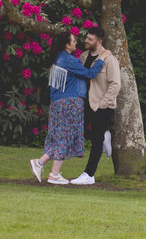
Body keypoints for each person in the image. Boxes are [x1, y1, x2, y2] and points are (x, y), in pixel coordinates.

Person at [30, 30, 103, 185]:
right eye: (73, 40)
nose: (76, 42)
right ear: (67, 44)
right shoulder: (69, 60)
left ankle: (40, 163)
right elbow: (89, 74)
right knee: (65, 136)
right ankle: (54, 174)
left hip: (57, 103)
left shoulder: (58, 59)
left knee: (59, 136)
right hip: (70, 102)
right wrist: (101, 61)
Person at [70, 25, 121, 185]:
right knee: (79, 130)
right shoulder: (84, 57)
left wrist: (102, 103)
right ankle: (106, 137)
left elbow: (115, 84)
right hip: (86, 103)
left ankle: (89, 174)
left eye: (90, 39)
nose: (86, 41)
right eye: (86, 38)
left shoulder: (109, 59)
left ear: (99, 41)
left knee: (96, 140)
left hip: (102, 106)